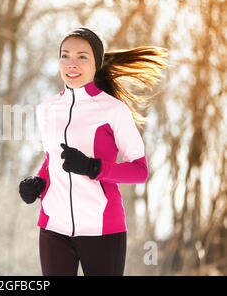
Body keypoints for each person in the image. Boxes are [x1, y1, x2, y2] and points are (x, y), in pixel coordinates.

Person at [19, 27, 168, 276]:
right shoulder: (46, 109)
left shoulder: (113, 110)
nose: (72, 63)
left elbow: (139, 171)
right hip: (53, 227)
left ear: (96, 63)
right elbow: (52, 160)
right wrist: (38, 183)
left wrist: (93, 167)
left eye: (82, 57)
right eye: (65, 56)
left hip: (102, 229)